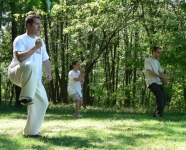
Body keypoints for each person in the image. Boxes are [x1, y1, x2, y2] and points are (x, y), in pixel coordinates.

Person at [8, 14, 52, 138]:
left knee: (43, 102)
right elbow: (20, 57)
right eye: (36, 24)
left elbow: (46, 60)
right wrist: (35, 47)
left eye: (40, 24)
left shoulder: (40, 42)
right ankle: (25, 97)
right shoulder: (20, 39)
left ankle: (31, 132)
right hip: (17, 72)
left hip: (34, 78)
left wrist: (49, 73)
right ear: (28, 25)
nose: (39, 27)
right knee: (30, 64)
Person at [144, 46, 168, 117]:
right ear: (153, 52)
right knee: (159, 94)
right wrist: (161, 77)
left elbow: (160, 72)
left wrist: (164, 79)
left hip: (157, 82)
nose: (159, 54)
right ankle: (159, 113)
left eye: (160, 52)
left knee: (163, 97)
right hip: (150, 81)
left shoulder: (157, 62)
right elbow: (150, 72)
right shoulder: (148, 60)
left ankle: (156, 113)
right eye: (158, 52)